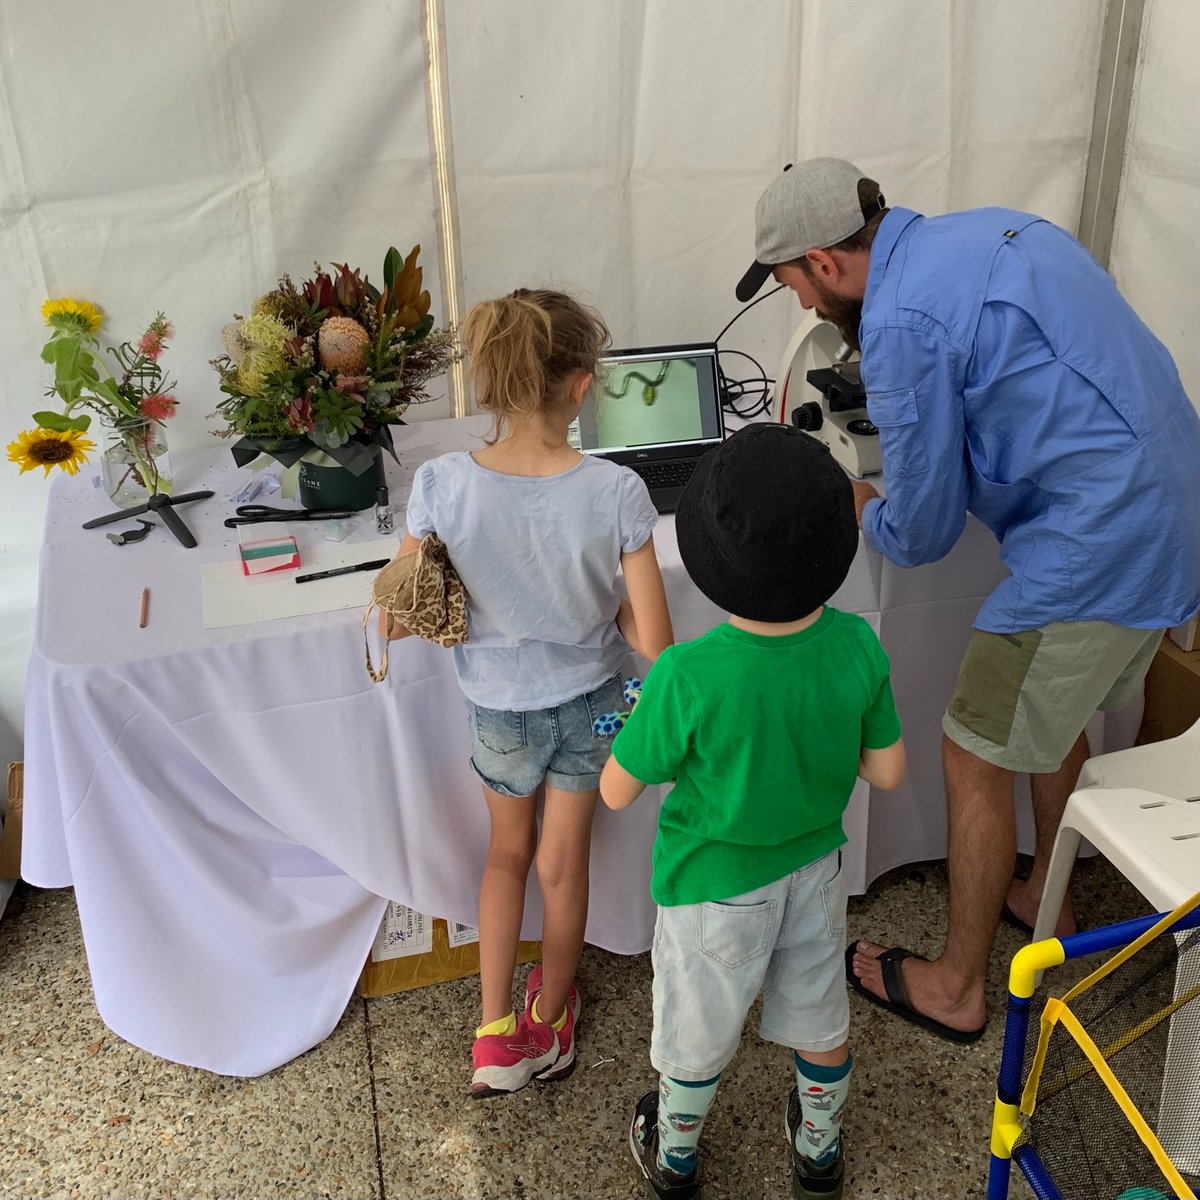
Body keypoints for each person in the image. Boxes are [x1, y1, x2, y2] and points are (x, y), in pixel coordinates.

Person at [736, 157, 1200, 1043]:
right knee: (1047, 710)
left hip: (1100, 541)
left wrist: (867, 507)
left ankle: (955, 985)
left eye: (795, 285)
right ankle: (1047, 903)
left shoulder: (903, 323)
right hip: (1174, 508)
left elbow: (926, 531)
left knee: (972, 748)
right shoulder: (981, 229)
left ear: (827, 264)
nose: (802, 307)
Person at [600, 424, 907, 1200]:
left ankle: (674, 1158)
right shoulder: (861, 648)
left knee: (698, 1031)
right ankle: (819, 1149)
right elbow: (890, 771)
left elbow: (616, 789)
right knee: (819, 1016)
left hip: (712, 888)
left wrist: (645, 723)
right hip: (816, 871)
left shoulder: (685, 674)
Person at [386, 288, 675, 1097]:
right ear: (583, 385)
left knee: (504, 856)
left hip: (496, 710)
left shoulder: (441, 484)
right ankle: (550, 1015)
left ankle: (491, 1029)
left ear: (493, 382)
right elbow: (657, 649)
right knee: (562, 864)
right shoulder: (616, 492)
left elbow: (405, 605)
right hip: (591, 704)